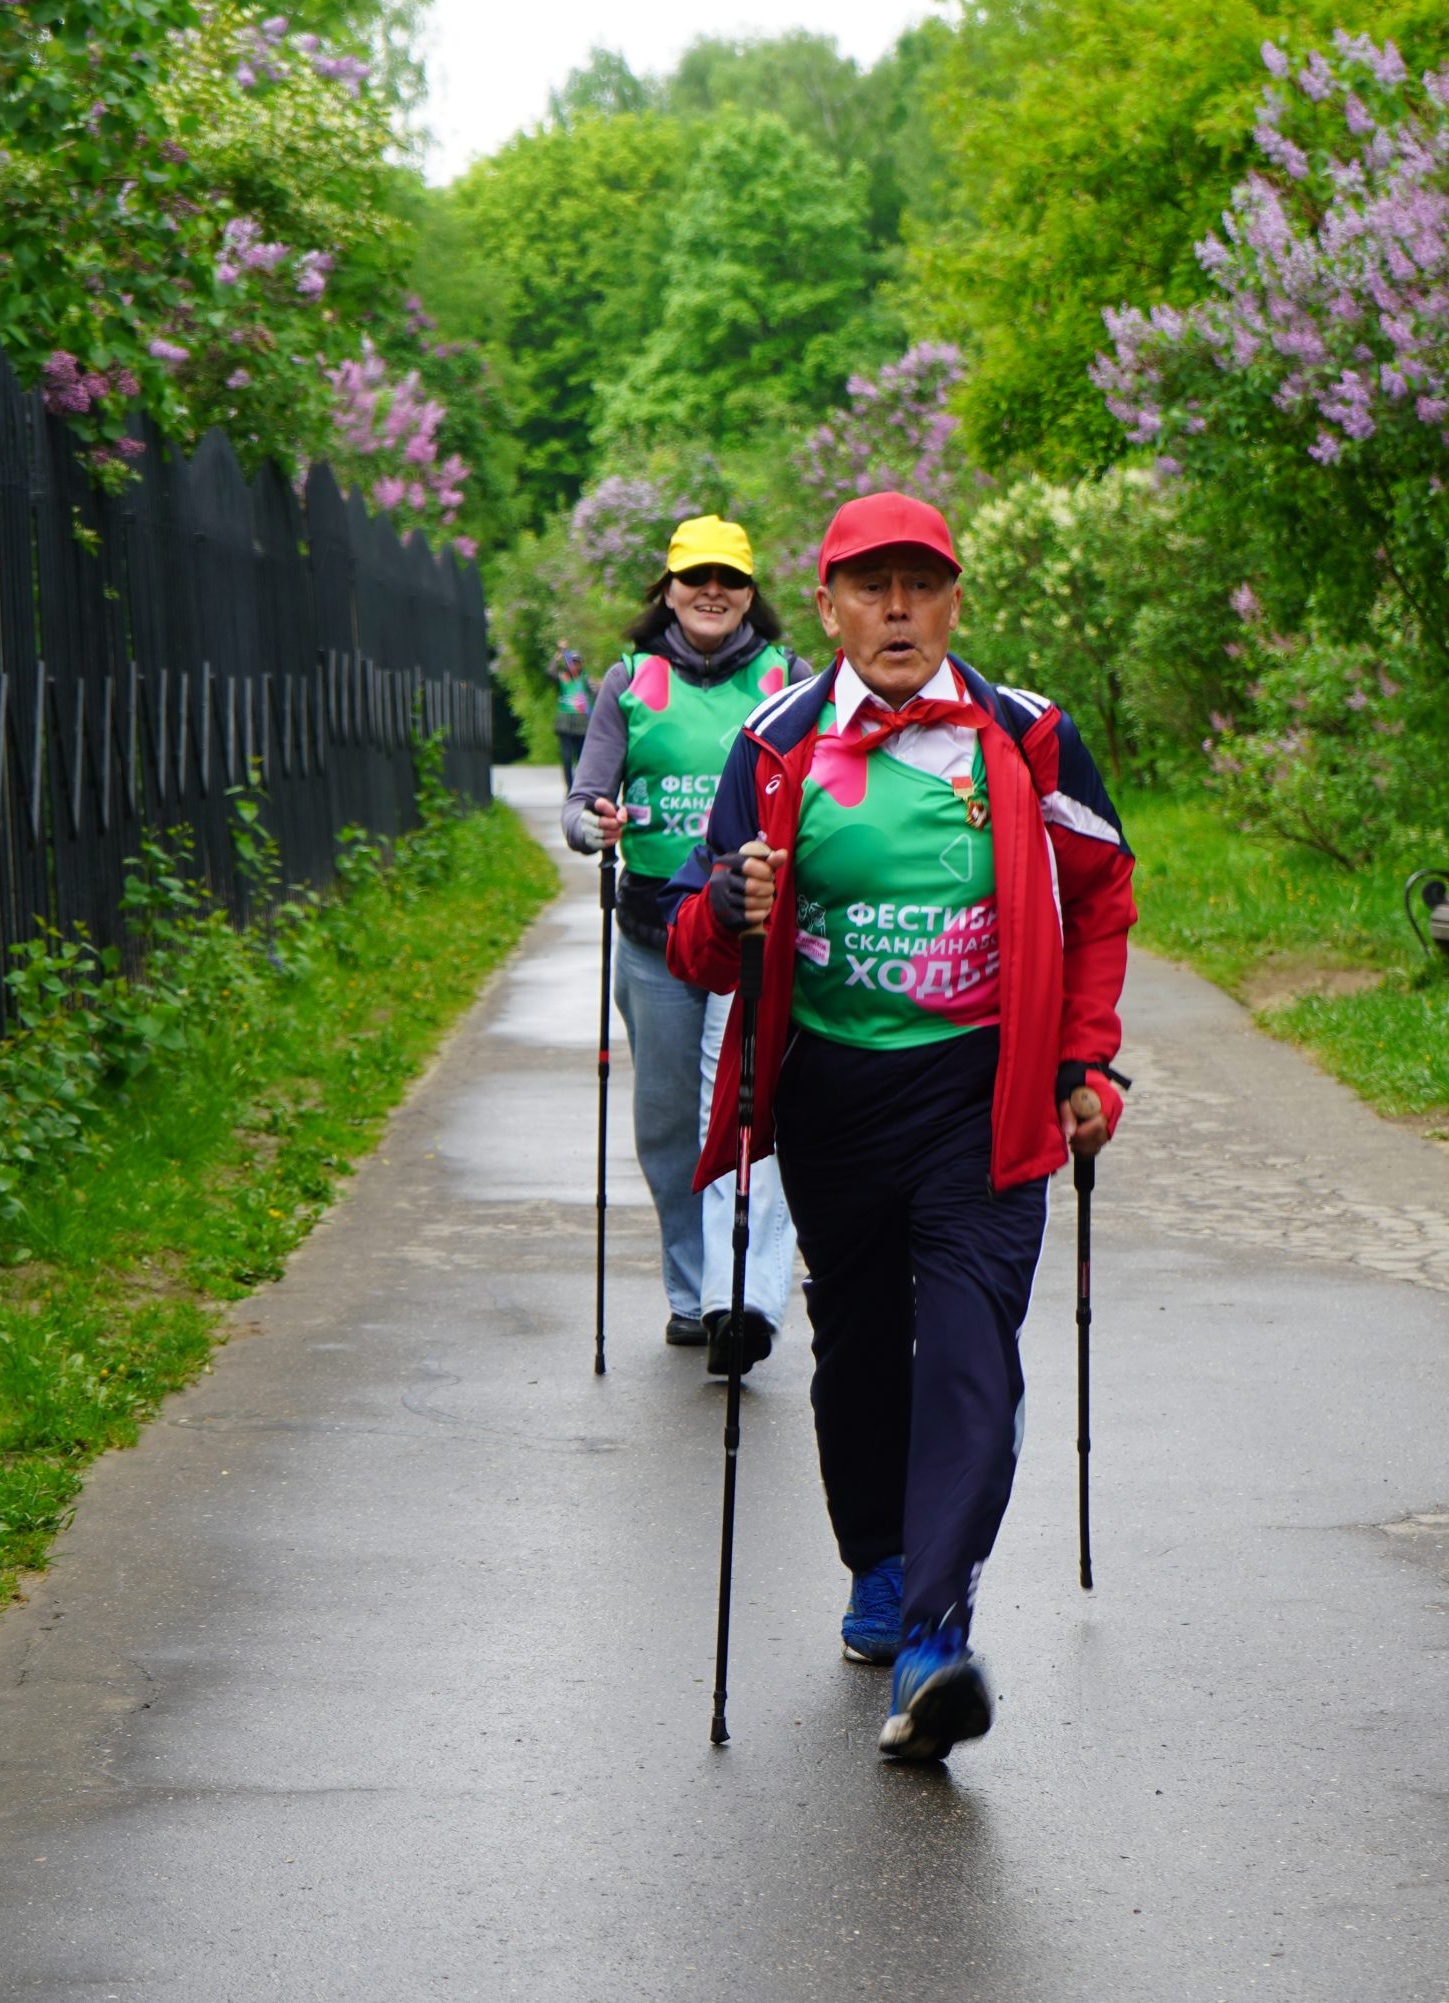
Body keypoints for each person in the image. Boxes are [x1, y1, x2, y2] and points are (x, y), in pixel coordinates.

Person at [665, 491, 1136, 1763]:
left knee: (974, 1346)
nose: (894, 609)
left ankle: (934, 1631)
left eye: (918, 585)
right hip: (833, 1099)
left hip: (986, 1095)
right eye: (867, 587)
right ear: (823, 608)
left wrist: (1087, 1054)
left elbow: (1100, 894)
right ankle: (878, 1565)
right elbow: (698, 950)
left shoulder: (1030, 736)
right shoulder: (773, 746)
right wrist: (730, 899)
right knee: (862, 1346)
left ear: (953, 603)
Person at [563, 516, 803, 1375]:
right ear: (666, 587)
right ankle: (690, 1292)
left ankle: (738, 1298)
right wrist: (596, 825)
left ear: (750, 593)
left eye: (730, 580)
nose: (713, 593)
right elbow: (582, 804)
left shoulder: (787, 678)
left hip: (747, 936)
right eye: (696, 577)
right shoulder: (629, 682)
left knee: (744, 1113)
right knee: (668, 1124)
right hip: (654, 933)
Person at [551, 647, 591, 782]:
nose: (574, 665)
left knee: (581, 758)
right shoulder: (562, 678)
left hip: (581, 724)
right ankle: (569, 787)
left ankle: (579, 786)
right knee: (566, 758)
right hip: (565, 723)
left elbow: (596, 692)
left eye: (577, 662)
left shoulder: (585, 679)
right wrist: (556, 659)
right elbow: (549, 673)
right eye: (572, 662)